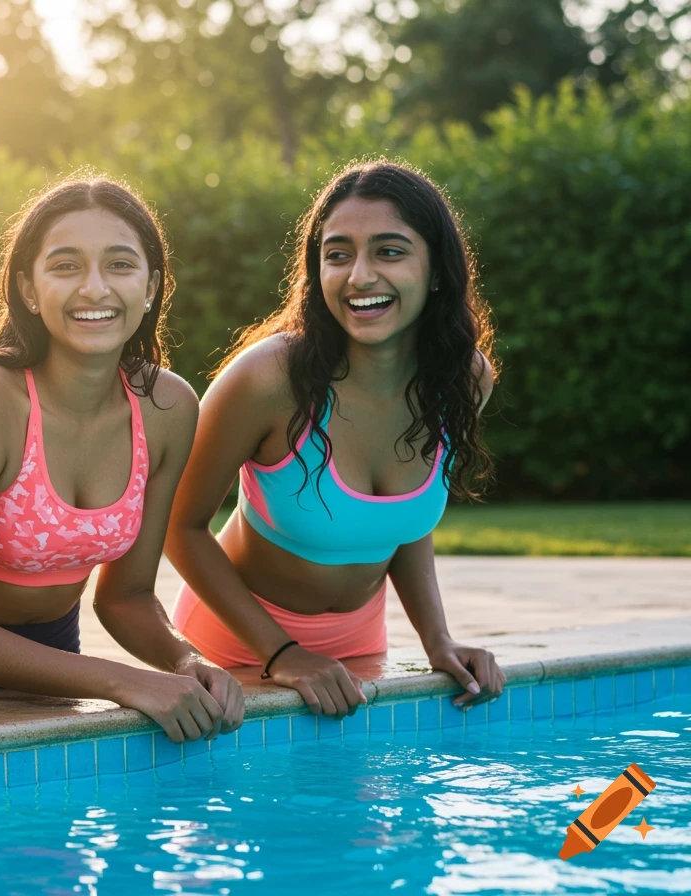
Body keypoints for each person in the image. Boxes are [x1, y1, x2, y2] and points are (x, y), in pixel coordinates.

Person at [0, 174, 244, 744]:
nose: (95, 288)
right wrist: (125, 682)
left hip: (57, 652)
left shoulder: (168, 407)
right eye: (66, 266)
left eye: (120, 265)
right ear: (29, 289)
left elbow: (126, 596)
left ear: (151, 285)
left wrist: (184, 661)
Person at [165, 160, 506, 718]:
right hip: (234, 645)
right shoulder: (269, 380)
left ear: (437, 269)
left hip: (357, 647)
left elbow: (399, 520)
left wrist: (438, 641)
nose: (359, 276)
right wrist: (282, 653)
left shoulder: (462, 379)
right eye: (338, 254)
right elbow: (179, 525)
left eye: (389, 252)